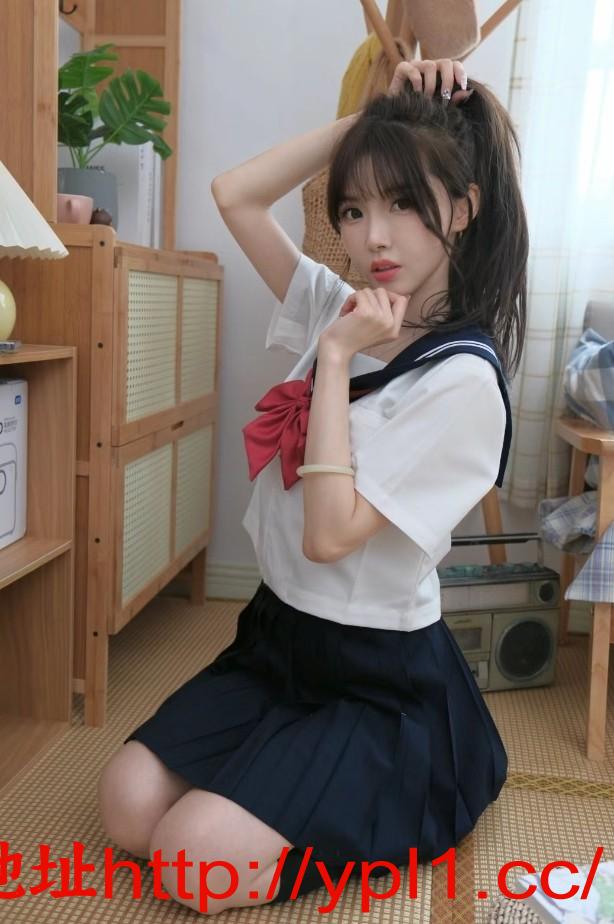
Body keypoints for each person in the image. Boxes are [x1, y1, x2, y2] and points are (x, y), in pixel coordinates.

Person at [97, 57, 528, 915]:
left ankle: (405, 783)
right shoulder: (343, 303)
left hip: (378, 678)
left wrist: (334, 360)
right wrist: (371, 120)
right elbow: (234, 196)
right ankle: (269, 784)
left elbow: (330, 535)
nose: (374, 238)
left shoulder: (462, 380)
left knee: (191, 864)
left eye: (404, 204)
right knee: (128, 806)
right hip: (278, 639)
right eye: (356, 209)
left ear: (463, 209)